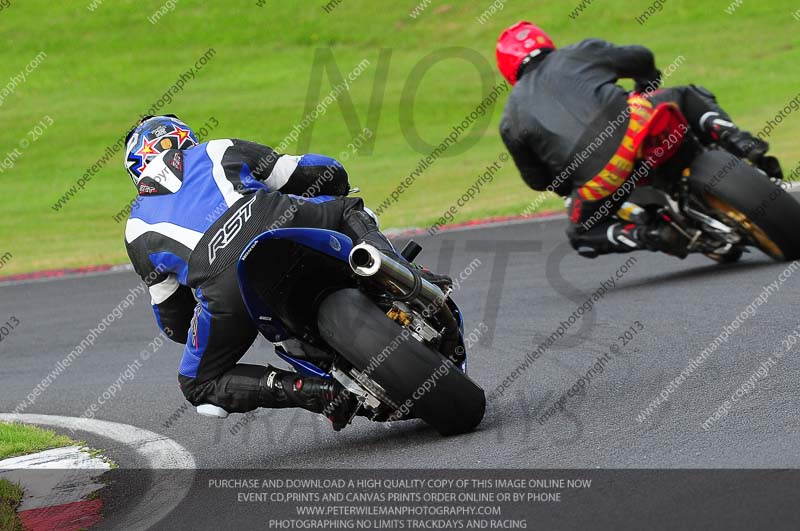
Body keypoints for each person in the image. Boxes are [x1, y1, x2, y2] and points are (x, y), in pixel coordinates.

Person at [123, 114, 448, 431]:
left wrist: (206, 302)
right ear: (184, 138)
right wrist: (338, 182)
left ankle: (320, 394)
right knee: (347, 208)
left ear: (137, 170)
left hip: (225, 285)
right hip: (281, 220)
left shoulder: (136, 230)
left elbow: (176, 324)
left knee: (197, 383)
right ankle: (407, 279)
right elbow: (311, 170)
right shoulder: (215, 149)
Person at [496, 21, 783, 258]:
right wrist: (647, 83)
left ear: (508, 71)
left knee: (581, 235)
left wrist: (568, 179)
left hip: (600, 178)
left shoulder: (510, 118)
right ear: (546, 42)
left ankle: (652, 233)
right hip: (637, 126)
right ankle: (738, 140)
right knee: (684, 94)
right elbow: (641, 56)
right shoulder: (579, 52)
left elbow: (539, 181)